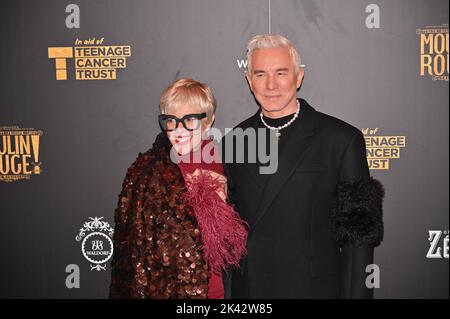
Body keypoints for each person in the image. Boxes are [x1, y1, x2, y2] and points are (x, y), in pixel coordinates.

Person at [222, 34, 384, 298]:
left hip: (313, 289)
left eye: (281, 73)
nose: (271, 85)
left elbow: (359, 238)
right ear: (249, 81)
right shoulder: (233, 142)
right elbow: (227, 237)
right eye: (261, 74)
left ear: (299, 77)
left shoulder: (341, 139)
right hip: (251, 291)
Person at [110, 78, 248, 299]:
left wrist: (219, 202)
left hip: (221, 293)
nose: (179, 129)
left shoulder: (231, 166)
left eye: (190, 119)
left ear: (209, 120)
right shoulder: (146, 173)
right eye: (171, 120)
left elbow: (241, 246)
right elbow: (132, 254)